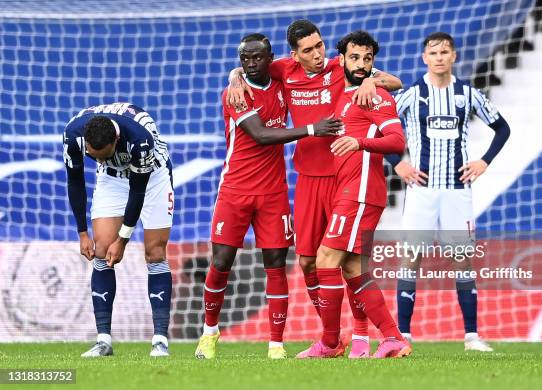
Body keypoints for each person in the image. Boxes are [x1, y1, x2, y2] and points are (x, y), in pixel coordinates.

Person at [227, 20, 403, 357]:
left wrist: (369, 80)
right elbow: (248, 67)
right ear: (294, 54)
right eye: (308, 50)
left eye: (320, 45)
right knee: (308, 262)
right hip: (308, 178)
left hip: (343, 177)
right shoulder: (284, 69)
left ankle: (362, 336)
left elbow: (394, 81)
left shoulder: (342, 63)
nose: (318, 54)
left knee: (349, 259)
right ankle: (332, 338)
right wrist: (235, 78)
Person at [194, 33, 342, 360]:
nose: (250, 65)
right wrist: (311, 130)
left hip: (274, 192)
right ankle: (209, 333)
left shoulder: (281, 78)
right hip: (235, 189)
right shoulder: (235, 93)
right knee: (221, 263)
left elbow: (313, 67)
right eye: (244, 59)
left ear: (270, 57)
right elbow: (261, 135)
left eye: (257, 58)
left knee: (275, 266)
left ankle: (276, 344)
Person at [390, 32, 511, 352]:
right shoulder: (412, 94)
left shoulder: (467, 94)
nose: (440, 57)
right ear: (424, 57)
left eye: (445, 51)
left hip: (458, 190)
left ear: (454, 56)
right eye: (434, 52)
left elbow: (502, 128)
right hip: (421, 190)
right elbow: (379, 125)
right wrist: (396, 163)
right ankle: (403, 335)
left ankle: (472, 336)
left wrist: (484, 161)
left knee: (462, 260)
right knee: (410, 259)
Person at [297, 30, 411, 359]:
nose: (361, 65)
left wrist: (359, 142)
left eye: (368, 59)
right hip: (350, 190)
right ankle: (393, 338)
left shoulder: (373, 96)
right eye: (355, 58)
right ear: (342, 60)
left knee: (325, 260)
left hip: (360, 192)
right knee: (353, 270)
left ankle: (330, 343)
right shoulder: (347, 93)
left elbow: (396, 141)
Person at [63, 102, 174, 357]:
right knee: (101, 249)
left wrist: (123, 239)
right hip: (112, 178)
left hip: (152, 176)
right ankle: (103, 341)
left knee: (155, 252)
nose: (97, 160)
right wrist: (82, 233)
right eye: (93, 156)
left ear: (116, 139)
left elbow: (137, 192)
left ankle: (160, 341)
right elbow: (75, 181)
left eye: (102, 154)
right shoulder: (72, 135)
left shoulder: (140, 140)